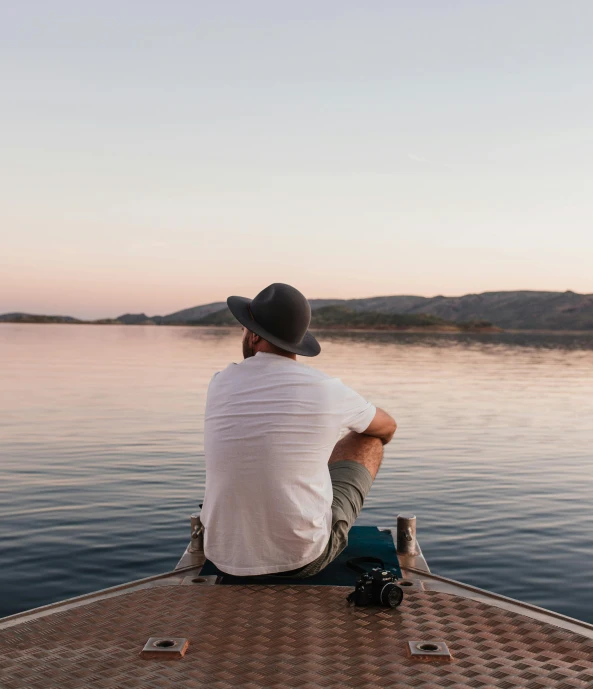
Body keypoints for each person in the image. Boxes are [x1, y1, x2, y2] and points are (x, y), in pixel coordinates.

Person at [200, 283, 397, 577]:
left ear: (253, 335)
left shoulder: (220, 382)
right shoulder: (327, 389)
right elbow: (387, 426)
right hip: (301, 561)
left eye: (243, 328)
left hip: (223, 556)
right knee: (368, 439)